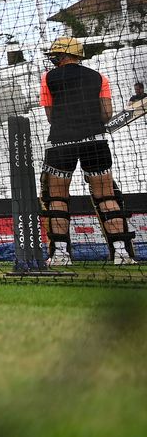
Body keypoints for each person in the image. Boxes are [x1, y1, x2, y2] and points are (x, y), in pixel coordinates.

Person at [38, 37, 137, 266]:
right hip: (95, 140)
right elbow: (107, 113)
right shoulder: (99, 77)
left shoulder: (49, 78)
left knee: (56, 198)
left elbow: (51, 116)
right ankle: (121, 253)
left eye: (55, 56)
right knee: (106, 195)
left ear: (62, 56)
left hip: (61, 142)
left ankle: (61, 254)